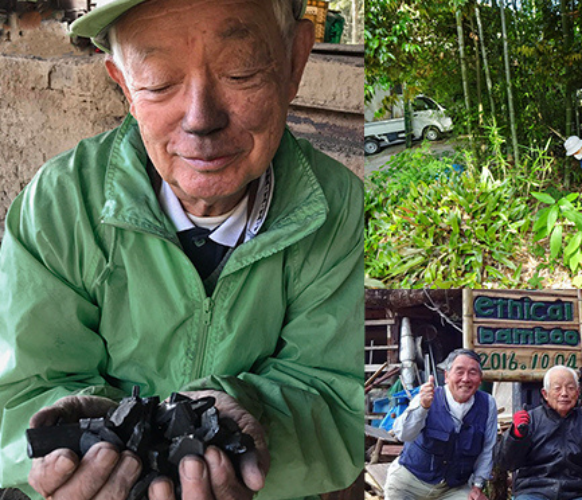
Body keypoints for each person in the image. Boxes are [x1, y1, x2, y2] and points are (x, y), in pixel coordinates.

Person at [0, 0, 364, 499]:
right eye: (157, 81)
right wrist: (66, 446)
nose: (200, 120)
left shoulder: (343, 210)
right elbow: (16, 397)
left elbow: (340, 399)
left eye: (242, 72)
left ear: (296, 61)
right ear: (124, 84)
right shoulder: (61, 205)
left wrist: (246, 414)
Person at [384, 349, 497, 500]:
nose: (466, 379)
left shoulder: (487, 404)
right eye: (459, 371)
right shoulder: (427, 396)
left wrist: (477, 486)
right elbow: (403, 434)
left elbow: (487, 448)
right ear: (446, 376)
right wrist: (423, 407)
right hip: (409, 484)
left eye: (472, 372)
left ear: (480, 379)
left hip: (452, 488)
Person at [496, 365, 582, 500]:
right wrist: (516, 436)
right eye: (557, 388)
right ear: (545, 394)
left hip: (576, 492)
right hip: (534, 491)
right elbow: (507, 463)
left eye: (570, 388)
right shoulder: (531, 420)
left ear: (577, 393)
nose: (564, 393)